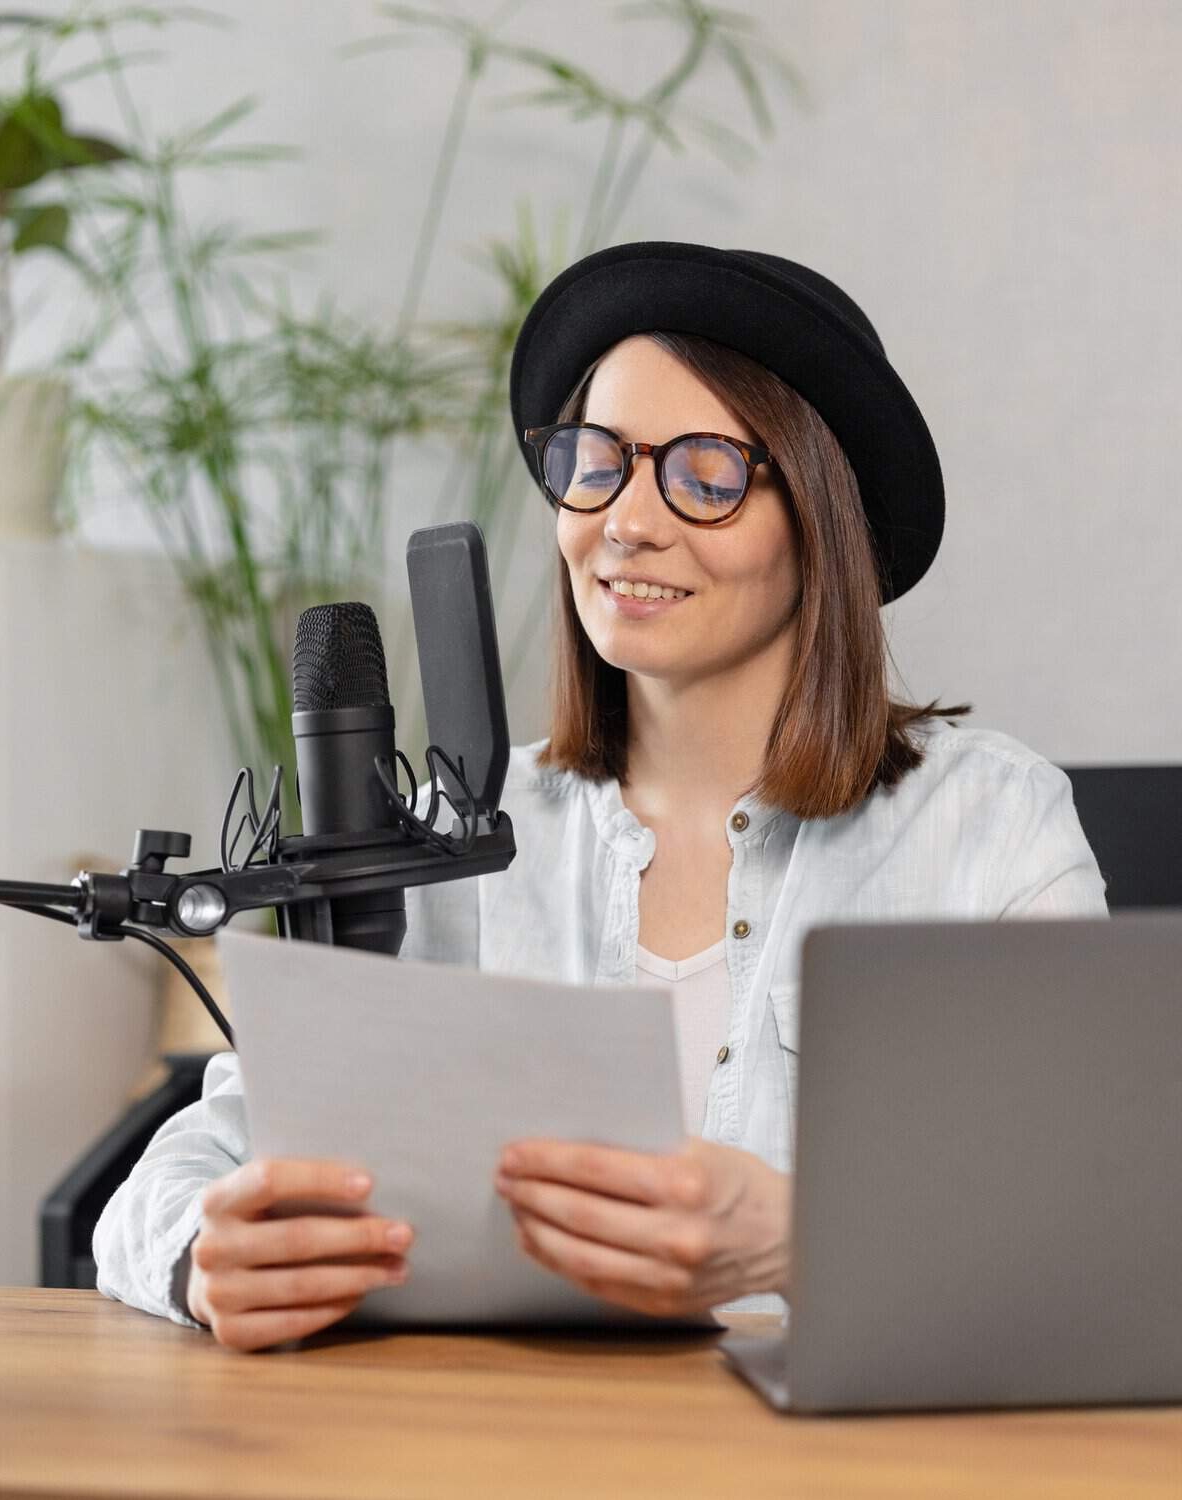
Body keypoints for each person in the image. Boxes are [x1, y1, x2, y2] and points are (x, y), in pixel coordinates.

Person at [93, 241, 1107, 1351]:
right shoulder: (450, 848)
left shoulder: (993, 829)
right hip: (508, 1447)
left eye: (706, 473)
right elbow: (208, 1148)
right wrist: (202, 1251)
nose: (627, 519)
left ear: (819, 522)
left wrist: (806, 1238)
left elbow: (1105, 1218)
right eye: (596, 460)